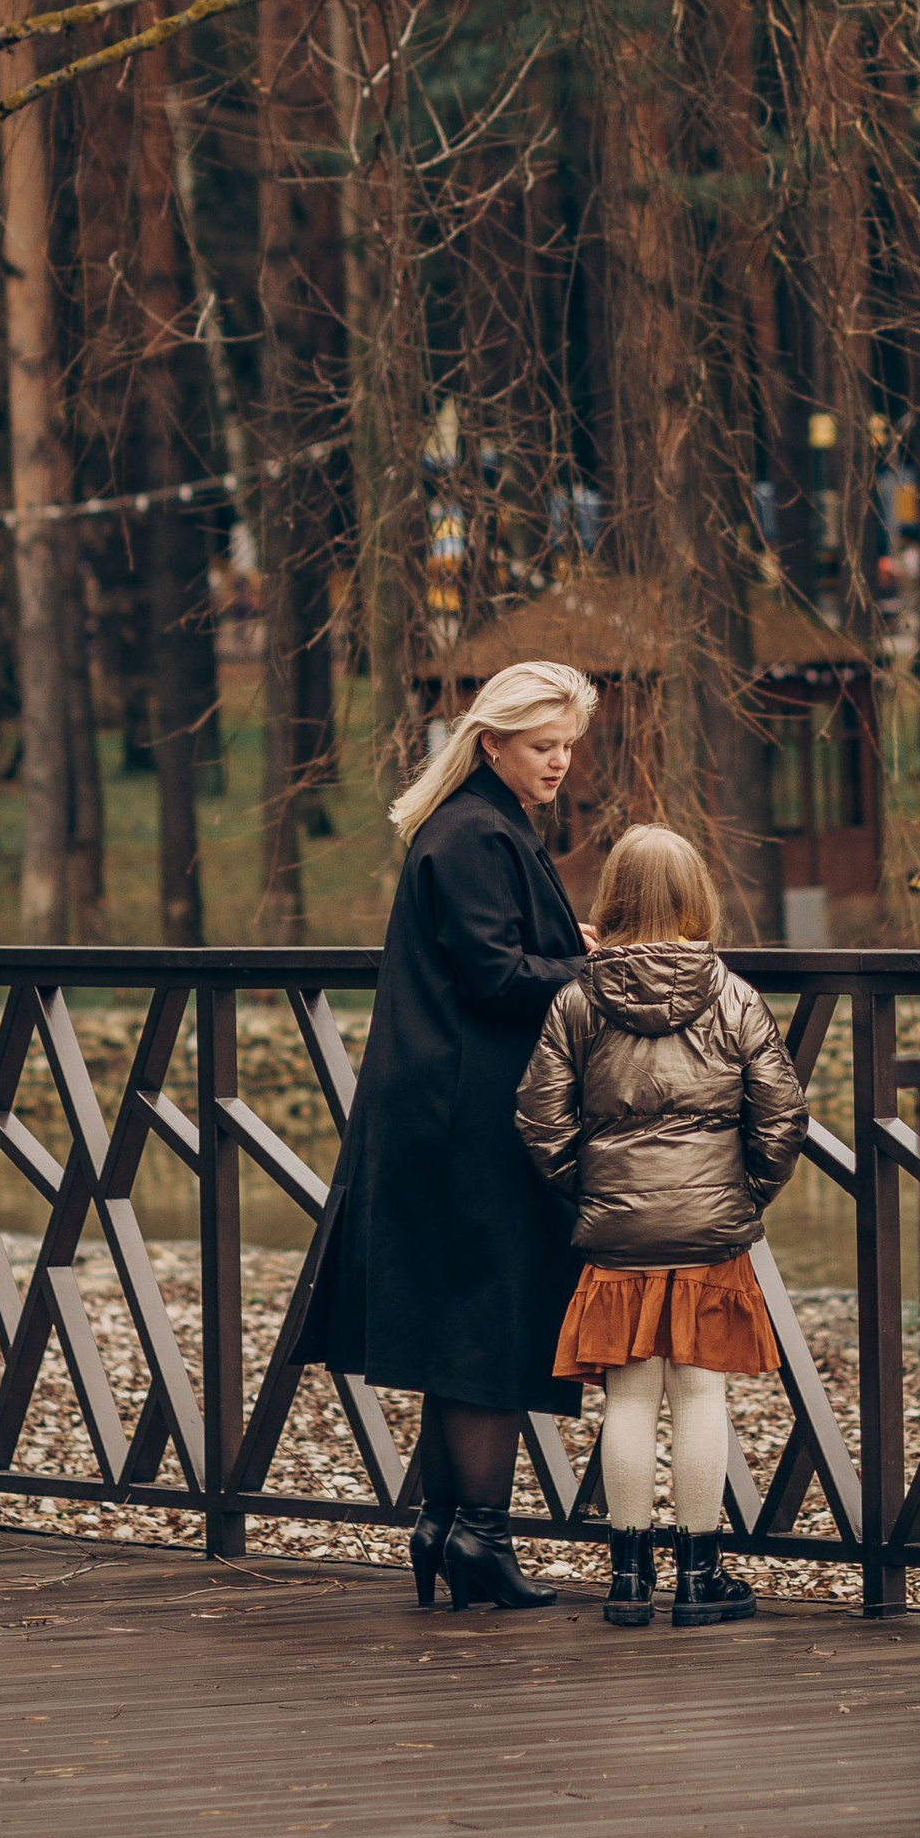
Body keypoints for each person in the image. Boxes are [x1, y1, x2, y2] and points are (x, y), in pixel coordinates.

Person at [308, 660, 598, 1612]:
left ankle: (446, 1526)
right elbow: (495, 975)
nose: (560, 762)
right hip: (467, 1114)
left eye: (567, 746)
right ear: (492, 744)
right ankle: (477, 1534)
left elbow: (496, 958)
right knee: (488, 1320)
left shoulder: (479, 823)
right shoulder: (476, 833)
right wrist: (593, 969)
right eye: (542, 746)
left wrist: (568, 952)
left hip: (443, 1106)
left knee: (458, 1319)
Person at [515, 822, 805, 1630]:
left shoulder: (577, 999)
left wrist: (592, 1193)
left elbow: (539, 1119)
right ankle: (699, 1578)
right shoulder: (735, 995)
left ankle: (628, 1581)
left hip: (616, 1236)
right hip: (709, 1232)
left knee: (630, 1399)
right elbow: (782, 1116)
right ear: (696, 901)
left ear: (612, 903)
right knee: (700, 1391)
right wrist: (743, 1195)